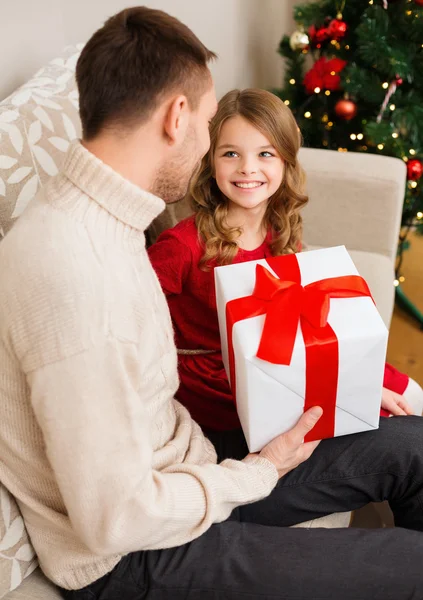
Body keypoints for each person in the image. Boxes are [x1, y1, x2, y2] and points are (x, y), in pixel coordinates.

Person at [0, 7, 423, 600]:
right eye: (207, 122)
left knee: (413, 445)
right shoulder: (73, 277)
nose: (209, 144)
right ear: (177, 117)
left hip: (194, 479)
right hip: (137, 553)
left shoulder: (111, 220)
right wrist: (257, 472)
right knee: (412, 564)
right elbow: (113, 518)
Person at [148, 88, 415, 440]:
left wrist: (356, 382)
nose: (248, 168)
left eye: (265, 154)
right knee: (389, 427)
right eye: (231, 153)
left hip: (279, 363)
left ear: (285, 162)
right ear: (211, 161)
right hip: (227, 394)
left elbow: (296, 332)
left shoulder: (278, 232)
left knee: (394, 387)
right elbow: (131, 319)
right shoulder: (182, 246)